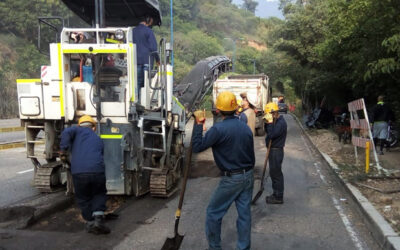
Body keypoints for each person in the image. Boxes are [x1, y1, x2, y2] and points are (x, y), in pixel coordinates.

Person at [192, 91, 255, 250]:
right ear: (236, 108)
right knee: (244, 215)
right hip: (248, 175)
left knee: (213, 213)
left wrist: (199, 125)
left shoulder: (218, 130)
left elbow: (197, 147)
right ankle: (244, 247)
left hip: (231, 179)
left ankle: (214, 247)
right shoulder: (245, 128)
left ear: (218, 110)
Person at [59, 115, 110, 235]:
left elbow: (66, 132)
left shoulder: (76, 130)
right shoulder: (98, 138)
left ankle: (90, 222)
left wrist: (63, 150)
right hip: (98, 172)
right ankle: (98, 220)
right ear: (93, 127)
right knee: (99, 194)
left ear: (79, 125)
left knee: (83, 197)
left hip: (79, 173)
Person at [132, 15, 160, 102]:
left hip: (135, 61)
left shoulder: (132, 31)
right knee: (145, 84)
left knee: (136, 83)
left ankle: (136, 102)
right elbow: (153, 47)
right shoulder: (149, 31)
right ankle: (143, 103)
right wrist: (158, 59)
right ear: (148, 21)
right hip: (147, 61)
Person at [264, 102, 287, 204]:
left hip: (276, 151)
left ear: (274, 113)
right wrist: (267, 123)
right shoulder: (275, 121)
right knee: (273, 173)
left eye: (270, 115)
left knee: (276, 174)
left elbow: (272, 134)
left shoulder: (280, 123)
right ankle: (275, 193)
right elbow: (268, 133)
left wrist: (269, 124)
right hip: (273, 151)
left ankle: (278, 196)